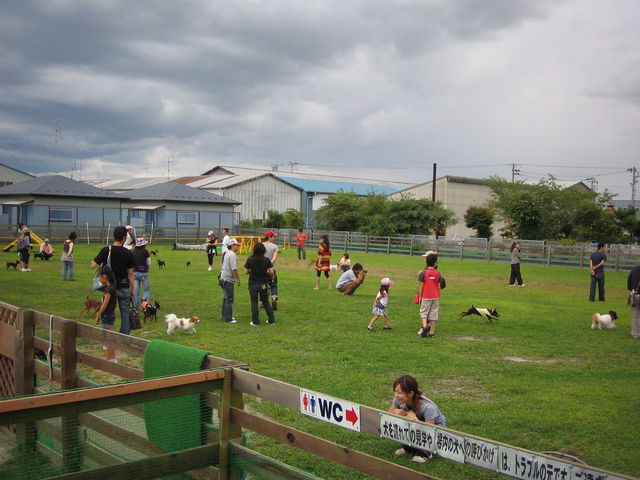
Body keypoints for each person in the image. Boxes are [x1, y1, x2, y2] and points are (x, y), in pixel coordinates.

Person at [389, 375, 446, 463]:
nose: (396, 395)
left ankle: (425, 453)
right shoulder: (398, 400)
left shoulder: (428, 407)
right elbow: (386, 416)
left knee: (413, 424)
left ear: (410, 393)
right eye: (395, 392)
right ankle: (408, 447)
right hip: (419, 426)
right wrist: (396, 413)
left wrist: (415, 420)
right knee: (405, 422)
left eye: (399, 393)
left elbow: (430, 430)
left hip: (437, 430)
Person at [91, 226, 135, 334]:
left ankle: (107, 334)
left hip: (109, 288)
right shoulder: (129, 253)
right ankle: (124, 336)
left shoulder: (106, 250)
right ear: (124, 238)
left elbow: (93, 265)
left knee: (107, 310)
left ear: (114, 236)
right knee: (125, 313)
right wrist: (132, 288)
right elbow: (130, 273)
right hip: (124, 286)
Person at [244, 242, 276, 326]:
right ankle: (271, 320)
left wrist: (251, 271)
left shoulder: (250, 259)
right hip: (263, 284)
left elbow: (245, 272)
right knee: (265, 302)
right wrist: (266, 272)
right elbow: (271, 272)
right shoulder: (266, 260)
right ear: (263, 250)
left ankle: (255, 321)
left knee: (254, 303)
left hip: (253, 284)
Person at [95, 265, 118, 362]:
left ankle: (109, 360)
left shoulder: (108, 290)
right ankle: (113, 358)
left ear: (105, 276)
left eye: (100, 277)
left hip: (107, 315)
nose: (99, 279)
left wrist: (98, 314)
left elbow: (104, 304)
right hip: (111, 314)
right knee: (110, 338)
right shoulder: (112, 287)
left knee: (108, 339)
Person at [417, 253, 442, 338]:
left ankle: (425, 327)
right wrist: (438, 296)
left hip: (426, 296)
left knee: (423, 312)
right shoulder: (438, 273)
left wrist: (420, 296)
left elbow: (421, 285)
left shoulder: (423, 273)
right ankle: (432, 332)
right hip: (435, 297)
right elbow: (439, 286)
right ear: (435, 263)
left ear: (426, 263)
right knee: (434, 313)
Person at [220, 239, 241, 323]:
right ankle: (228, 318)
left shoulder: (226, 253)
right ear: (232, 245)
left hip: (223, 278)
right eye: (236, 245)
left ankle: (225, 316)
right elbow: (234, 269)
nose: (237, 246)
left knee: (225, 298)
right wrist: (237, 279)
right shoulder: (232, 255)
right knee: (229, 299)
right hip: (228, 280)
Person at [132, 237, 151, 309]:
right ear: (143, 245)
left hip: (135, 273)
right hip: (144, 273)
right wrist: (148, 267)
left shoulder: (133, 252)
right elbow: (149, 262)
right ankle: (144, 300)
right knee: (147, 289)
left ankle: (136, 307)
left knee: (136, 292)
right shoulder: (145, 251)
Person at [263, 231, 280, 310]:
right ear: (269, 237)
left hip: (262, 269)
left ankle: (262, 301)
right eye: (273, 236)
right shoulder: (275, 246)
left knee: (263, 285)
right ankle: (274, 297)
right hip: (272, 269)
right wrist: (269, 265)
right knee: (273, 285)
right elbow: (274, 258)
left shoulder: (261, 245)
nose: (274, 238)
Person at [628, 264, 640, 339]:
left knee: (635, 315)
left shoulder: (634, 269)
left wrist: (631, 290)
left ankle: (635, 333)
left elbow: (629, 281)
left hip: (635, 294)